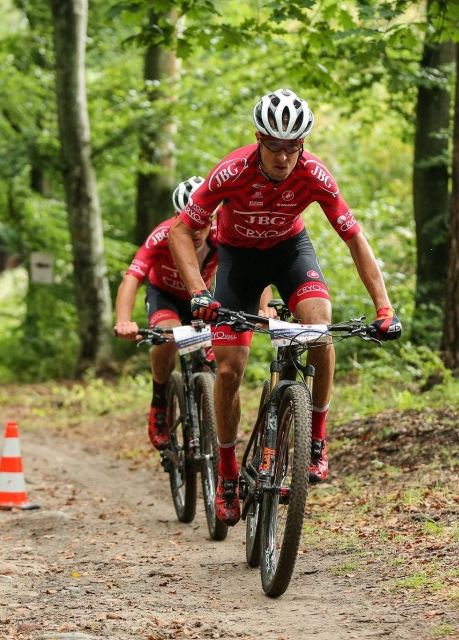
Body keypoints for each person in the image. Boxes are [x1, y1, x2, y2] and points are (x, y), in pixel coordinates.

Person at [168, 88, 402, 526]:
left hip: (290, 252)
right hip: (238, 262)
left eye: (292, 146)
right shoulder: (232, 171)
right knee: (229, 370)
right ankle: (228, 475)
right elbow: (180, 231)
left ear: (302, 144)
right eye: (274, 145)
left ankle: (315, 439)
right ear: (259, 138)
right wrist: (199, 292)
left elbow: (354, 238)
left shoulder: (314, 174)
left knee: (319, 330)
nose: (283, 156)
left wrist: (384, 308)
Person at [114, 176, 273, 451]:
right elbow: (132, 277)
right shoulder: (162, 235)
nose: (197, 227)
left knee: (215, 361)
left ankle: (209, 419)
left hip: (200, 299)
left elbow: (251, 268)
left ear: (214, 217)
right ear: (176, 216)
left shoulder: (222, 234)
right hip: (164, 297)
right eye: (187, 218)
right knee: (168, 338)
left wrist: (264, 307)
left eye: (204, 220)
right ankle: (160, 402)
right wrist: (123, 321)